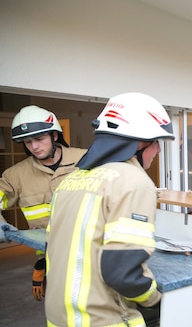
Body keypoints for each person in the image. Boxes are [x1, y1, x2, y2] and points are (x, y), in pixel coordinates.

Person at [45, 92, 173, 326]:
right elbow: (122, 273)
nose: (159, 151)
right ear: (140, 142)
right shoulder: (135, 182)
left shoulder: (70, 180)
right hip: (102, 319)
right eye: (157, 142)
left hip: (59, 316)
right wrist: (156, 299)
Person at [0, 105, 87, 301]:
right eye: (28, 142)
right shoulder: (15, 175)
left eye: (39, 139)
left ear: (54, 136)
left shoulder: (86, 159)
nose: (34, 147)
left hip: (92, 255)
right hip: (51, 261)